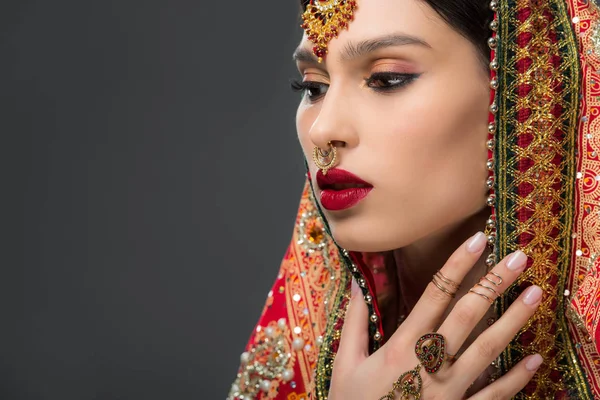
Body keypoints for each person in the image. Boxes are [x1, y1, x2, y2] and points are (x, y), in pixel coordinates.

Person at [228, 0, 600, 398]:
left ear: (532, 89)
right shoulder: (320, 353)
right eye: (314, 87)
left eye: (387, 79)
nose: (323, 130)